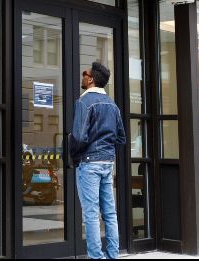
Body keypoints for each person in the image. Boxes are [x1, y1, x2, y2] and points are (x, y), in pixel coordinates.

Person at [70, 61, 126, 259]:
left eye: (85, 74)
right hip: (107, 163)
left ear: (91, 79)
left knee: (91, 214)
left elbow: (78, 137)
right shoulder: (112, 104)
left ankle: (96, 257)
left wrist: (74, 157)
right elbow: (121, 138)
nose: (83, 76)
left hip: (89, 163)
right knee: (110, 213)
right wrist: (107, 153)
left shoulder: (84, 102)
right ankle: (112, 256)